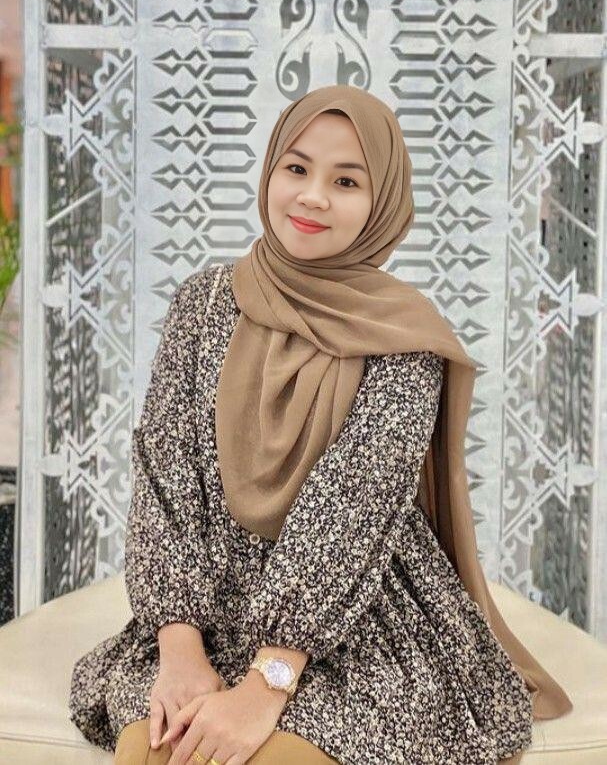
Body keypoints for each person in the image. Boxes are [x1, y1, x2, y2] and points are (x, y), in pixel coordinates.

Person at [69, 85, 572, 764]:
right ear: (270, 171)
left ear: (382, 201)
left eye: (346, 181)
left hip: (359, 623)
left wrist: (267, 684)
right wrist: (179, 650)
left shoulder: (403, 338)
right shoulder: (205, 302)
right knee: (155, 750)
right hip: (207, 613)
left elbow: (352, 510)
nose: (311, 197)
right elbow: (165, 476)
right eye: (297, 168)